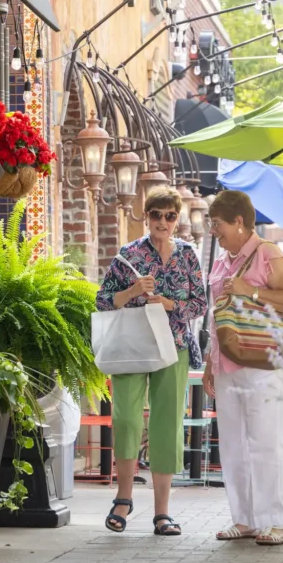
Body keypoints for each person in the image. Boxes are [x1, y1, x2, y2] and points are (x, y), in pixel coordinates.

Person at [96, 187, 206, 536]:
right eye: (156, 215)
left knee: (166, 425)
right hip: (132, 345)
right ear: (147, 217)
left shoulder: (188, 255)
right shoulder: (128, 254)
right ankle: (123, 499)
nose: (163, 222)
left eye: (170, 216)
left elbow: (201, 304)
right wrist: (131, 292)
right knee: (126, 419)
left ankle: (162, 513)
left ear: (178, 219)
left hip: (174, 346)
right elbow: (102, 302)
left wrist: (169, 303)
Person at [202, 190, 283, 547]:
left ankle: (274, 521)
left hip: (263, 361)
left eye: (218, 224)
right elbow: (218, 317)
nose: (215, 232)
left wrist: (251, 291)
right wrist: (212, 363)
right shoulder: (221, 261)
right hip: (228, 362)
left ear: (239, 222)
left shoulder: (268, 254)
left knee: (265, 441)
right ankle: (242, 519)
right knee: (232, 445)